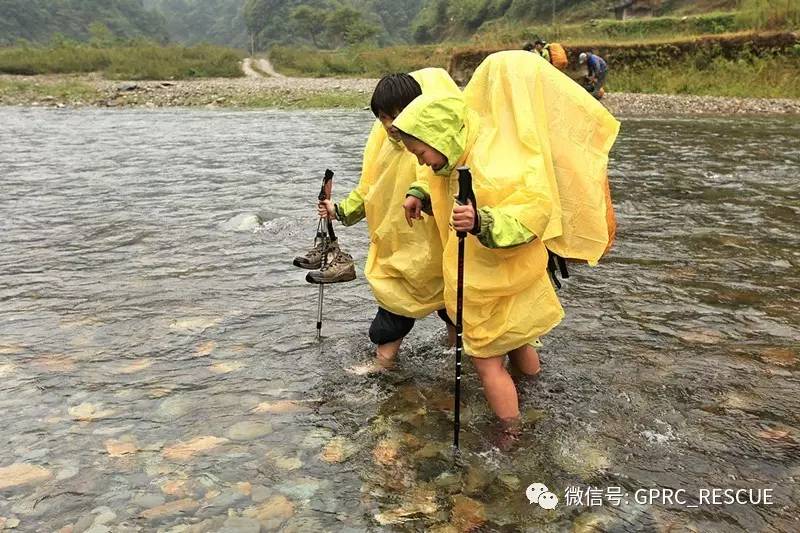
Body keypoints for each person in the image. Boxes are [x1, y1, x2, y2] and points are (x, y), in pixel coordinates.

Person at [395, 50, 619, 448]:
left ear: (441, 139)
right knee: (518, 340)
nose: (423, 163)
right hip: (506, 280)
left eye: (422, 155)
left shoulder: (495, 164)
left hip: (489, 284)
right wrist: (419, 192)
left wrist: (483, 222)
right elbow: (434, 174)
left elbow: (532, 213)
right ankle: (538, 393)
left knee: (485, 364)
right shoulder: (454, 157)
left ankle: (510, 433)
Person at [316, 70, 460, 374]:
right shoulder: (381, 144)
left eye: (398, 115)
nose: (391, 124)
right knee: (399, 306)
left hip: (431, 244)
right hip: (398, 244)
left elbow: (435, 180)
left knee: (446, 307)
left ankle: (443, 356)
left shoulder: (431, 142)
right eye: (383, 117)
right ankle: (395, 362)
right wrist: (339, 211)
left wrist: (419, 194)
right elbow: (368, 188)